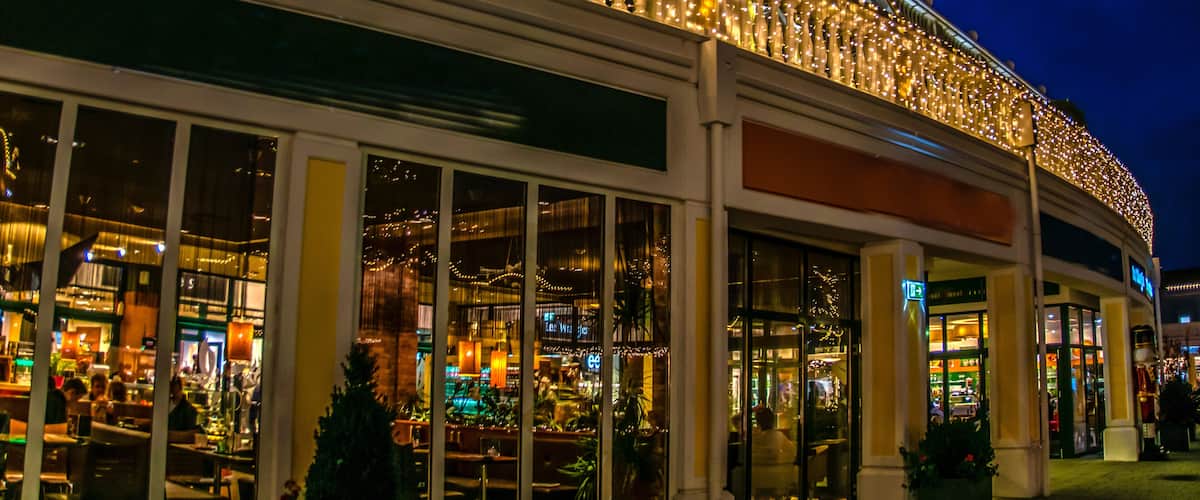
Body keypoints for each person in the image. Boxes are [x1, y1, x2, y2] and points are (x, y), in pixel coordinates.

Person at [167, 375, 200, 442]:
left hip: (178, 445)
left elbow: (194, 433)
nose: (173, 389)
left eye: (175, 386)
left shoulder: (188, 409)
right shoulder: (164, 404)